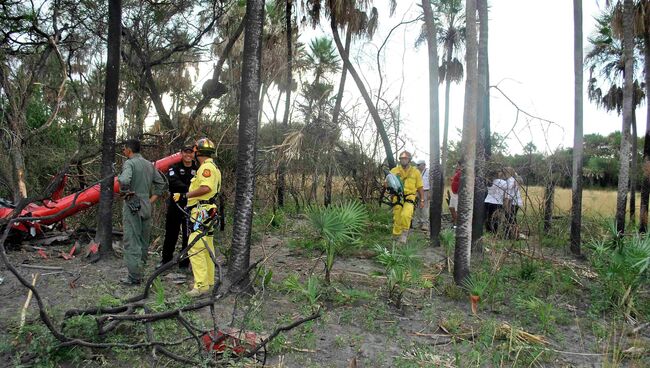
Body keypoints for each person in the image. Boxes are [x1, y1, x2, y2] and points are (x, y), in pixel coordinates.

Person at [172, 138, 221, 297]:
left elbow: (205, 187)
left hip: (202, 212)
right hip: (207, 211)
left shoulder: (205, 168)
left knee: (196, 247)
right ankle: (208, 282)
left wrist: (185, 195)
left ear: (198, 152)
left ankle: (200, 286)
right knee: (207, 247)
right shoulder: (212, 166)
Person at [117, 139, 167, 285]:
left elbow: (125, 180)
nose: (123, 151)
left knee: (132, 240)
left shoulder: (129, 163)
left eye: (124, 149)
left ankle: (134, 277)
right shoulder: (149, 164)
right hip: (146, 204)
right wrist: (151, 199)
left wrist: (125, 191)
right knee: (144, 240)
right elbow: (161, 183)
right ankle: (141, 270)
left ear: (129, 150)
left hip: (133, 204)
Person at [159, 145, 198, 270]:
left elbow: (201, 185)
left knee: (188, 235)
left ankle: (184, 263)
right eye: (186, 153)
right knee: (171, 233)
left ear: (193, 154)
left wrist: (190, 193)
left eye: (191, 153)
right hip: (175, 205)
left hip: (191, 206)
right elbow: (173, 182)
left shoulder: (197, 169)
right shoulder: (174, 167)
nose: (188, 155)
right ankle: (166, 261)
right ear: (181, 153)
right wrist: (190, 190)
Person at [389, 151, 425, 243]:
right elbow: (388, 183)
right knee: (397, 217)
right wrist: (389, 188)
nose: (403, 160)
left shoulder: (415, 172)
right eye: (401, 159)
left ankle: (404, 234)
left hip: (410, 197)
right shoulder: (394, 171)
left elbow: (420, 187)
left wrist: (422, 200)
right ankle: (396, 235)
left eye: (405, 159)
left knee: (406, 215)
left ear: (409, 160)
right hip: (398, 197)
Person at [484, 169, 508, 233]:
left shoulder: (489, 182)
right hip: (497, 202)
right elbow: (506, 194)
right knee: (496, 218)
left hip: (487, 201)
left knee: (488, 217)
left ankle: (488, 231)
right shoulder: (503, 182)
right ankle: (494, 231)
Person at [414, 160, 430, 231]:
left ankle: (425, 223)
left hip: (426, 191)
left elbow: (431, 182)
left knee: (425, 207)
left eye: (419, 165)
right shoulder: (416, 172)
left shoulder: (428, 172)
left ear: (423, 165)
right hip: (417, 191)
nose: (417, 166)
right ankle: (419, 222)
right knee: (417, 207)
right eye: (417, 165)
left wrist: (430, 192)